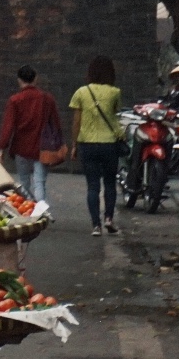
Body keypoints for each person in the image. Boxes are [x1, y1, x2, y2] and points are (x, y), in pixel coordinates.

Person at [69, 56, 125, 236]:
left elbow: (76, 122)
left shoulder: (81, 93)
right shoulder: (115, 92)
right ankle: (109, 218)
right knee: (110, 183)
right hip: (109, 144)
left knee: (92, 186)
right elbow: (115, 117)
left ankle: (95, 226)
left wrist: (74, 144)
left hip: (87, 143)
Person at [0, 65, 59, 205]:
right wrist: (58, 145)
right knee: (40, 182)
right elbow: (55, 124)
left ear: (19, 80)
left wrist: (1, 149)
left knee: (24, 182)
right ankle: (41, 211)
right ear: (35, 79)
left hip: (21, 147)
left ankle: (27, 208)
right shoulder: (47, 99)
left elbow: (8, 126)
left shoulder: (15, 100)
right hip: (42, 147)